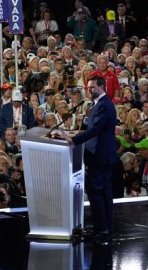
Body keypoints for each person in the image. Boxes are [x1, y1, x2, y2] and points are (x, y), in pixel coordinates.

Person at [59, 76, 118, 246]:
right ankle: (104, 227)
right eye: (87, 87)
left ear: (101, 87)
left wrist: (74, 140)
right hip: (100, 155)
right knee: (104, 192)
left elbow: (96, 130)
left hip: (99, 156)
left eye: (92, 87)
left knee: (95, 192)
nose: (89, 90)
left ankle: (102, 229)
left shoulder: (104, 105)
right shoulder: (99, 104)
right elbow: (92, 129)